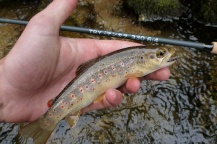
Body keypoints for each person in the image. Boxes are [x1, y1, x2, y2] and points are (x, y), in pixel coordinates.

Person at [0, 0, 170, 123]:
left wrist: (7, 91)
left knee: (116, 92)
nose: (164, 56)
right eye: (160, 54)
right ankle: (46, 123)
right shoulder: (137, 64)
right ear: (142, 59)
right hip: (65, 92)